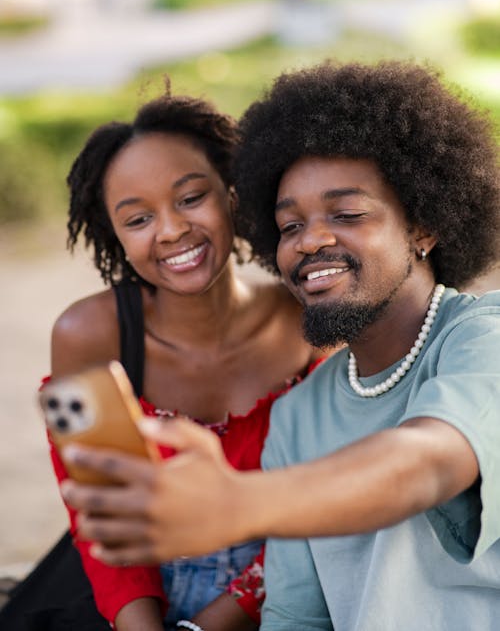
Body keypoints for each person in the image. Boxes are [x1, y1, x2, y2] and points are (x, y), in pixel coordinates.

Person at [60, 61, 500, 630]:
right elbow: (294, 615)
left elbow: (428, 461)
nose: (312, 239)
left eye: (346, 214)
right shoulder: (299, 414)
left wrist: (237, 504)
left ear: (423, 225)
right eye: (290, 226)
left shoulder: (484, 337)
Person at [34, 83, 321, 631]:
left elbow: (319, 509)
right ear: (114, 236)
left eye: (191, 198)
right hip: (133, 605)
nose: (171, 230)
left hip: (285, 596)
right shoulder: (85, 336)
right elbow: (99, 514)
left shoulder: (306, 321)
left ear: (232, 194)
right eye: (138, 219)